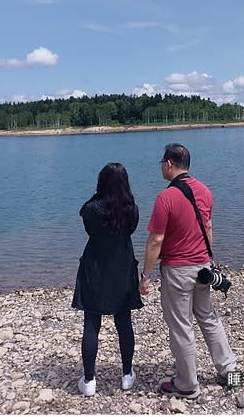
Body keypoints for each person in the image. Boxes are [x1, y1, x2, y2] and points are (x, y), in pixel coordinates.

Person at [140, 143, 236, 399]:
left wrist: (145, 275)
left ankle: (187, 383)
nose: (161, 166)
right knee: (208, 317)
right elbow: (209, 228)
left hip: (178, 270)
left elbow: (156, 240)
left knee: (182, 326)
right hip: (203, 268)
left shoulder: (165, 198)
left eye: (162, 162)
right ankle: (228, 370)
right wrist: (207, 260)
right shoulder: (205, 191)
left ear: (169, 163)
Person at [72, 162, 143, 397]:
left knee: (91, 325)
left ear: (101, 183)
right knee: (124, 323)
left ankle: (90, 380)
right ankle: (126, 375)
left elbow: (88, 227)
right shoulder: (130, 209)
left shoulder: (91, 209)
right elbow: (131, 230)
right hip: (122, 267)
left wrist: (97, 195)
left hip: (95, 268)